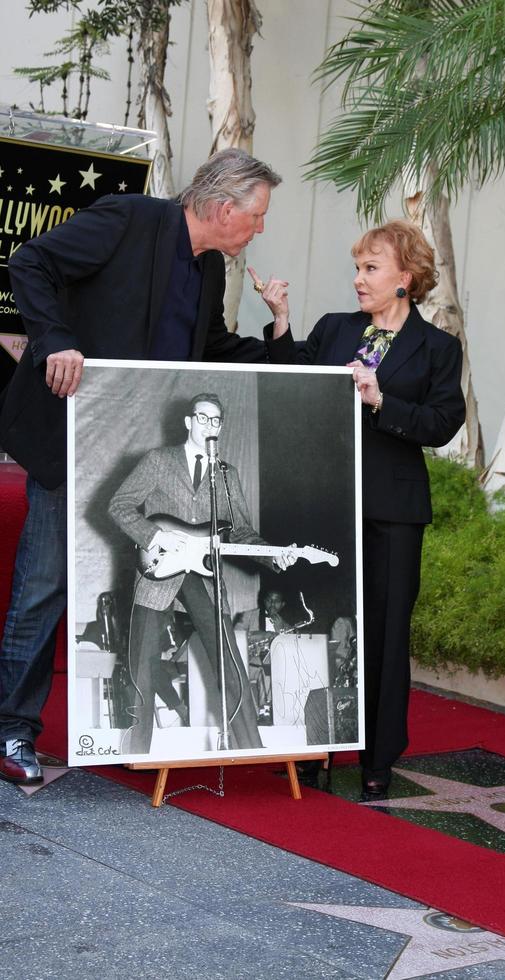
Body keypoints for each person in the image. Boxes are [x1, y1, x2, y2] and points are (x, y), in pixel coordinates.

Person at [0, 147, 291, 785]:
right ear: (223, 208)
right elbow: (31, 263)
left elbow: (210, 347)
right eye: (258, 215)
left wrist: (284, 344)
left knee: (115, 590)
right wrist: (55, 339)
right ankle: (12, 731)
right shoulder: (126, 219)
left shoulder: (209, 268)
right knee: (44, 583)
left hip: (137, 452)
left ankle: (122, 732)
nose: (260, 228)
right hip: (72, 434)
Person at [252, 219, 466, 796]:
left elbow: (444, 424)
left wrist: (381, 401)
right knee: (314, 622)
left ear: (407, 277)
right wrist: (280, 324)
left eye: (371, 269)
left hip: (392, 511)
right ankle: (310, 745)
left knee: (385, 634)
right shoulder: (334, 328)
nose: (358, 280)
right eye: (358, 267)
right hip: (324, 503)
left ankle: (377, 759)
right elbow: (290, 383)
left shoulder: (437, 348)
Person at [107, 392, 297, 754]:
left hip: (205, 575)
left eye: (216, 420)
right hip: (158, 571)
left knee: (231, 668)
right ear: (188, 422)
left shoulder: (226, 475)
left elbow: (241, 531)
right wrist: (155, 535)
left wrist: (274, 557)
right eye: (203, 418)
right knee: (142, 670)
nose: (210, 426)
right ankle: (136, 757)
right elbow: (119, 505)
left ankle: (250, 751)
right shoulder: (158, 461)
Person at [234, 587, 290, 718]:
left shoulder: (285, 625)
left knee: (273, 668)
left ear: (282, 604)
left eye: (276, 601)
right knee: (265, 669)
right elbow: (235, 635)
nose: (272, 604)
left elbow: (292, 645)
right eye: (269, 600)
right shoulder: (248, 616)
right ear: (264, 601)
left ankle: (274, 709)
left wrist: (280, 630)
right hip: (247, 663)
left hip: (272, 664)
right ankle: (265, 710)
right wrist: (262, 635)